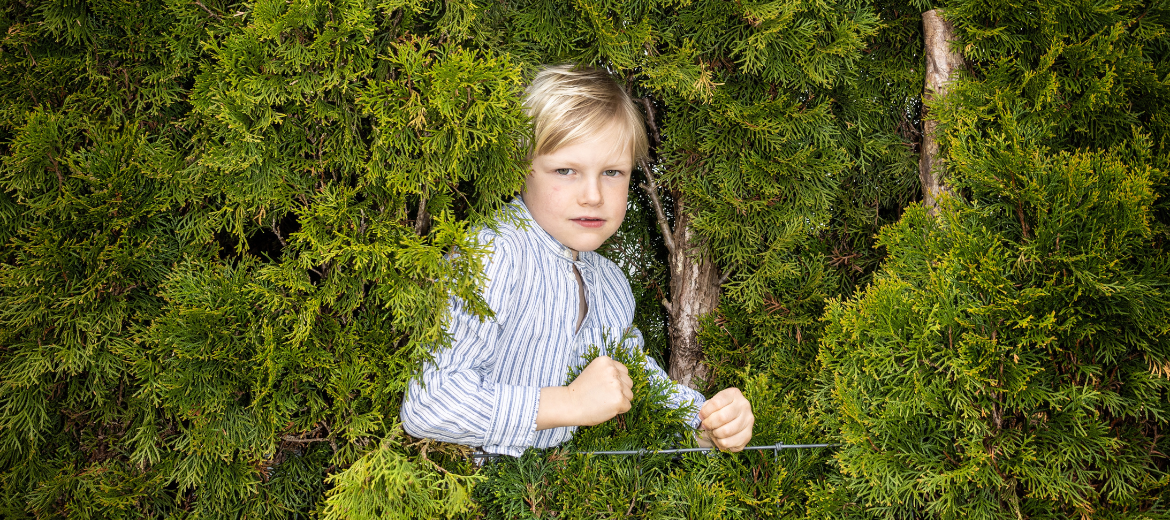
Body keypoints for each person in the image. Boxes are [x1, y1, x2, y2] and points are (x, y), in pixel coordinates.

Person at [400, 64, 754, 457]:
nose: (593, 195)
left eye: (612, 172)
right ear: (521, 168)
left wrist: (707, 424)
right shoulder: (494, 254)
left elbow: (637, 385)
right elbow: (428, 402)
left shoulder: (610, 283)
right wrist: (568, 404)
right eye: (565, 170)